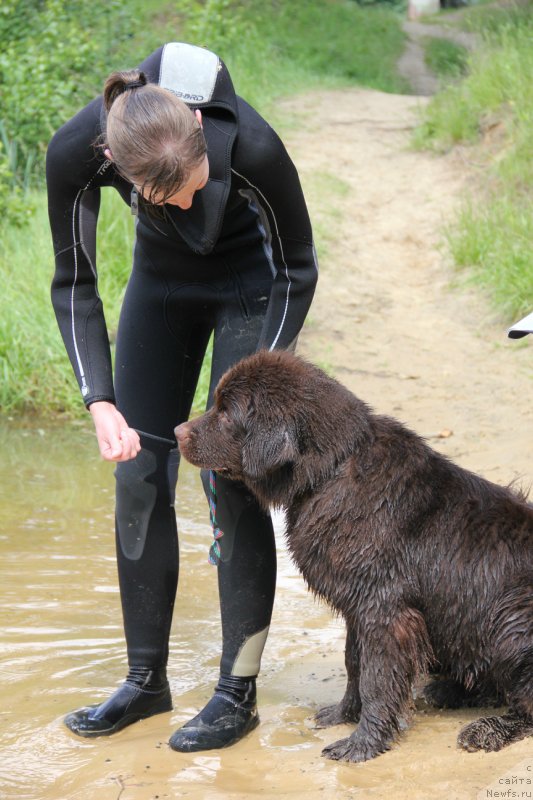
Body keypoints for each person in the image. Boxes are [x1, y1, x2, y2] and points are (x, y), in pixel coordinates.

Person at [46, 41, 318, 752]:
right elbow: (74, 281)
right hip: (159, 290)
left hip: (251, 287)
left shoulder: (252, 147)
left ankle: (237, 689)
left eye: (201, 184)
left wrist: (263, 376)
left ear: (203, 135)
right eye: (173, 198)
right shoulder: (79, 153)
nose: (194, 202)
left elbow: (297, 266)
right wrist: (98, 400)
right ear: (122, 172)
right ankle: (145, 682)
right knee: (138, 475)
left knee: (231, 475)